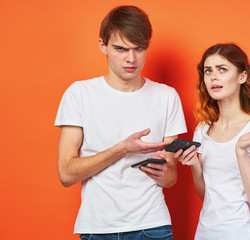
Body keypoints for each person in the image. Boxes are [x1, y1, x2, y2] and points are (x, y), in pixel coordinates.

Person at [54, 5, 187, 240]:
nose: (131, 59)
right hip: (98, 228)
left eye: (139, 48)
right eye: (120, 49)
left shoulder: (167, 96)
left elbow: (171, 179)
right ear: (103, 45)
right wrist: (122, 149)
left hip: (152, 226)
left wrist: (160, 169)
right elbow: (66, 173)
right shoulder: (80, 94)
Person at [175, 43, 250, 240]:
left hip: (238, 234)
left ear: (242, 76)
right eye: (208, 71)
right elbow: (209, 197)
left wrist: (241, 152)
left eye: (222, 69)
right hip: (204, 234)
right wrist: (195, 164)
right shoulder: (203, 129)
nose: (214, 76)